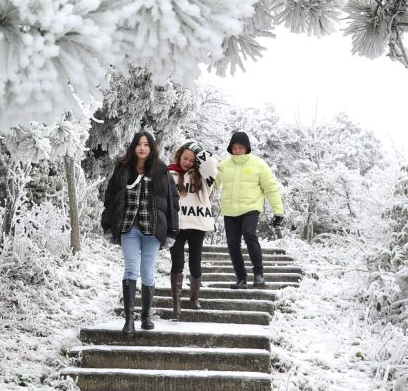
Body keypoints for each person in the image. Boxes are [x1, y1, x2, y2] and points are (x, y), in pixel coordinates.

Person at [100, 131, 179, 336]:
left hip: (153, 230)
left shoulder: (161, 171)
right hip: (129, 228)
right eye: (139, 144)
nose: (142, 148)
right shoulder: (122, 169)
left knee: (147, 271)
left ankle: (145, 315)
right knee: (130, 270)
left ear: (152, 148)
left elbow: (173, 202)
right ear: (133, 147)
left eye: (146, 144)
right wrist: (107, 226)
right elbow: (110, 199)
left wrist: (172, 230)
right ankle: (128, 320)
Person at [217, 131, 284, 289]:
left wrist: (278, 211)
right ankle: (241, 278)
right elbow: (210, 184)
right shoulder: (223, 165)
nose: (237, 150)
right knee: (233, 244)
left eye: (241, 147)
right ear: (230, 148)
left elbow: (271, 188)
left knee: (249, 234)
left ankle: (259, 274)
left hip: (251, 208)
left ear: (247, 148)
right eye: (234, 147)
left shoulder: (258, 164)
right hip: (230, 211)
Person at [167, 141, 218, 320]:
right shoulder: (170, 173)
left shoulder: (204, 177)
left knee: (195, 261)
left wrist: (198, 150)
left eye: (191, 159)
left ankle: (194, 298)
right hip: (177, 225)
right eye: (185, 158)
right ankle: (176, 306)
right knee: (177, 262)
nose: (187, 162)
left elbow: (211, 166)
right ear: (179, 155)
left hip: (197, 224)